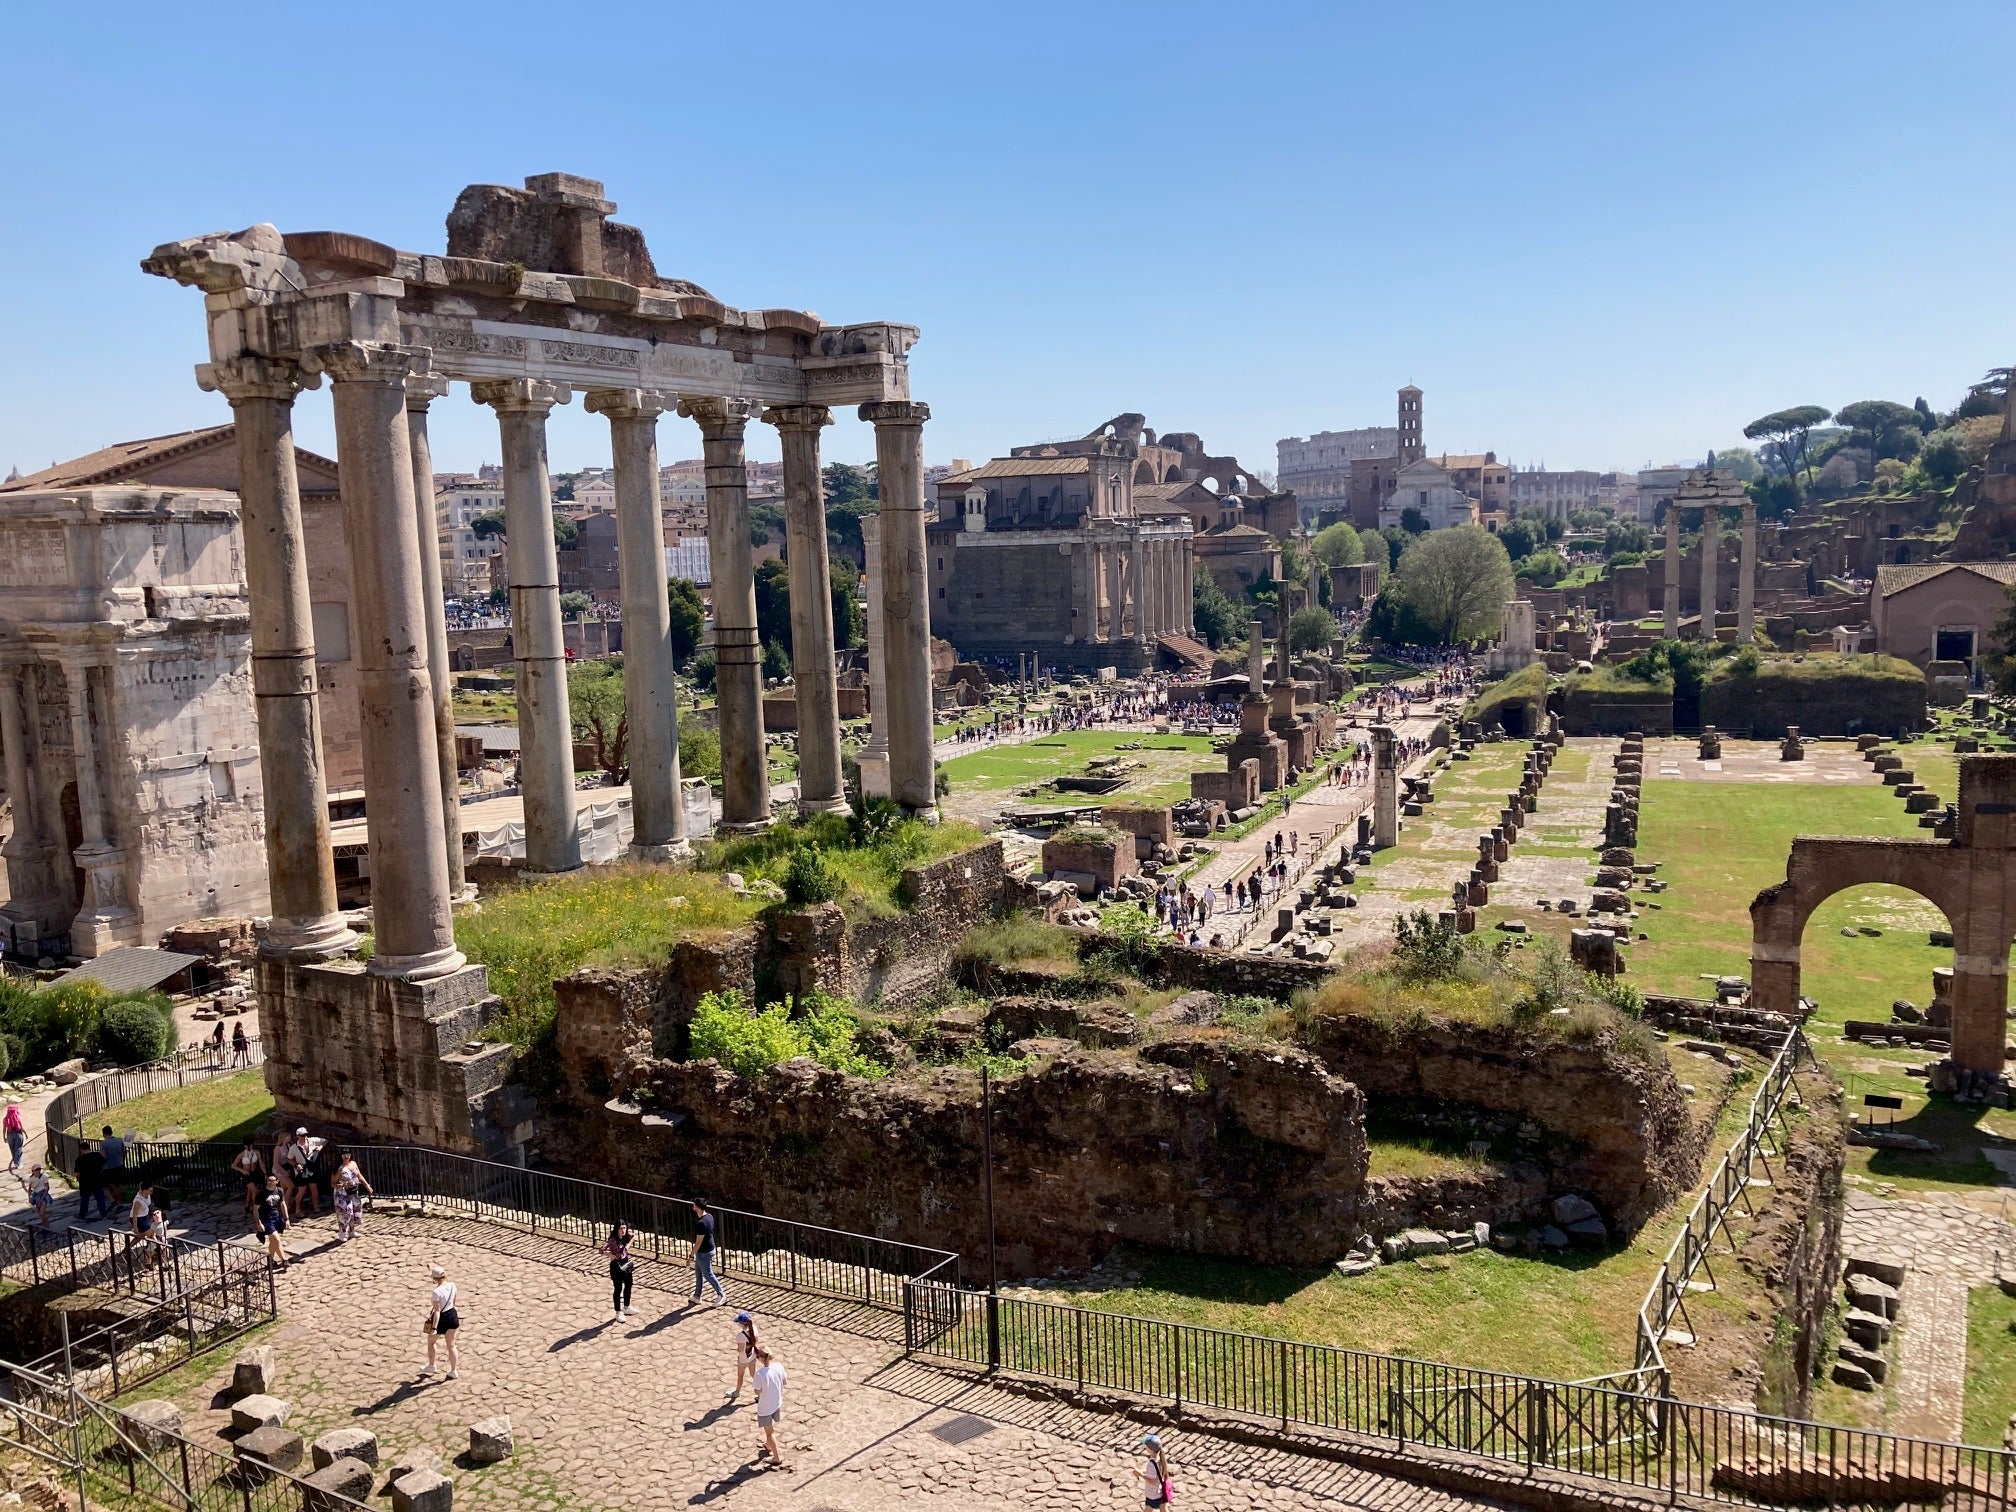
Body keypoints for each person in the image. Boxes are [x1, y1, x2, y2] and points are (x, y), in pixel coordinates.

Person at [751, 1346, 789, 1469]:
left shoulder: (760, 1374)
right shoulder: (779, 1366)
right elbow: (785, 1382)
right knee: (770, 1428)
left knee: (769, 1433)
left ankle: (776, 1457)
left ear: (761, 1359)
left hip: (766, 1407)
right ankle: (768, 1445)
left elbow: (757, 1391)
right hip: (777, 1402)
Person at [422, 1264, 460, 1379]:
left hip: (442, 1318)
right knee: (451, 1345)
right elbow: (454, 1302)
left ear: (434, 1279)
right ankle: (453, 1370)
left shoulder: (436, 1292)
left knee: (431, 1342)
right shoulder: (453, 1285)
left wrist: (434, 1328)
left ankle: (432, 1365)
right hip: (452, 1314)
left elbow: (437, 1311)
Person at [332, 1149, 373, 1241]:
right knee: (345, 1213)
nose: (346, 1156)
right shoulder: (339, 1169)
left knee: (355, 1211)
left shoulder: (353, 1164)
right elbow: (333, 1183)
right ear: (341, 1156)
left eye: (348, 1154)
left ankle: (352, 1231)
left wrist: (367, 1186)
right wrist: (342, 1185)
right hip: (342, 1194)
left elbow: (359, 1176)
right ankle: (342, 1232)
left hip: (354, 1192)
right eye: (344, 1155)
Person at [690, 1199, 725, 1306]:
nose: (693, 1207)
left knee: (708, 1274)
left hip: (703, 1252)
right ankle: (697, 1296)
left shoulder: (701, 1223)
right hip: (709, 1248)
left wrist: (691, 1255)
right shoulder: (709, 1216)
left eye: (694, 1205)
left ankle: (721, 1294)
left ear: (697, 1207)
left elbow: (698, 1242)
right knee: (698, 1273)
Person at [604, 1220, 635, 1320]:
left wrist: (628, 1244)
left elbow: (632, 1237)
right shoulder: (613, 1240)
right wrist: (609, 1255)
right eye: (621, 1228)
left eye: (624, 1228)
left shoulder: (627, 1236)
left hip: (626, 1263)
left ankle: (627, 1307)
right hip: (616, 1265)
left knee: (629, 1285)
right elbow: (602, 1249)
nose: (623, 1230)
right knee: (618, 1289)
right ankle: (618, 1312)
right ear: (616, 1229)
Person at [257, 1174, 290, 1268]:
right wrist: (258, 1222)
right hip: (266, 1218)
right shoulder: (261, 1193)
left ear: (277, 1181)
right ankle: (284, 1260)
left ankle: (270, 1260)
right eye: (268, 1180)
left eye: (272, 1180)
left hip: (276, 1217)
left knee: (274, 1241)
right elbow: (255, 1209)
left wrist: (286, 1219)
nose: (270, 1182)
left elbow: (283, 1205)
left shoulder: (279, 1191)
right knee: (276, 1239)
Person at [75, 1139, 109, 1221]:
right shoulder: (97, 1155)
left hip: (85, 1182)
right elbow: (104, 1165)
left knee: (84, 1199)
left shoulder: (79, 1159)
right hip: (97, 1180)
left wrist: (78, 1180)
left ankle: (82, 1215)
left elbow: (77, 1173)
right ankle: (104, 1214)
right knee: (100, 1198)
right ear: (89, 1147)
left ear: (81, 1149)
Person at [729, 1310, 760, 1400]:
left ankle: (737, 1392)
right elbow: (756, 1340)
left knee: (740, 1376)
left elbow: (741, 1349)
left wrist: (736, 1349)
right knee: (753, 1375)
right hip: (752, 1357)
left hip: (743, 1359)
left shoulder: (740, 1336)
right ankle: (760, 1394)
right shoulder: (754, 1329)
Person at [1138, 1433, 1173, 1509]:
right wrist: (1145, 1471)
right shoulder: (1160, 1459)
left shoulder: (1151, 1463)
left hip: (1153, 1495)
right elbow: (1157, 1472)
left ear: (1150, 1449)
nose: (1145, 1447)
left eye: (1146, 1446)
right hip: (1162, 1492)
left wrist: (1140, 1474)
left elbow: (1152, 1481)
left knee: (1148, 1510)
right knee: (1163, 1509)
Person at [231, 1138, 266, 1214]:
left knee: (250, 1191)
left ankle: (247, 1206)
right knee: (254, 1190)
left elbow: (260, 1162)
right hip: (246, 1175)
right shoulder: (241, 1155)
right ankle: (255, 1208)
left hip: (255, 1173)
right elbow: (233, 1165)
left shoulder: (256, 1152)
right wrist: (242, 1170)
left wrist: (265, 1172)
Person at [99, 1125, 125, 1208]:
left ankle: (115, 1202)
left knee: (107, 1186)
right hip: (119, 1164)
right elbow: (124, 1152)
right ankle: (120, 1201)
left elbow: (104, 1156)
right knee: (118, 1184)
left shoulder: (103, 1143)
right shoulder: (120, 1140)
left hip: (108, 1167)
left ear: (103, 1134)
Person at [3, 1098, 24, 1174]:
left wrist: (4, 1137)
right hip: (18, 1133)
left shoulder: (5, 1119)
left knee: (12, 1149)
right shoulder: (17, 1117)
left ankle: (15, 1162)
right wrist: (25, 1133)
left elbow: (4, 1129)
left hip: (9, 1134)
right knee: (19, 1149)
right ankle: (19, 1163)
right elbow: (21, 1126)